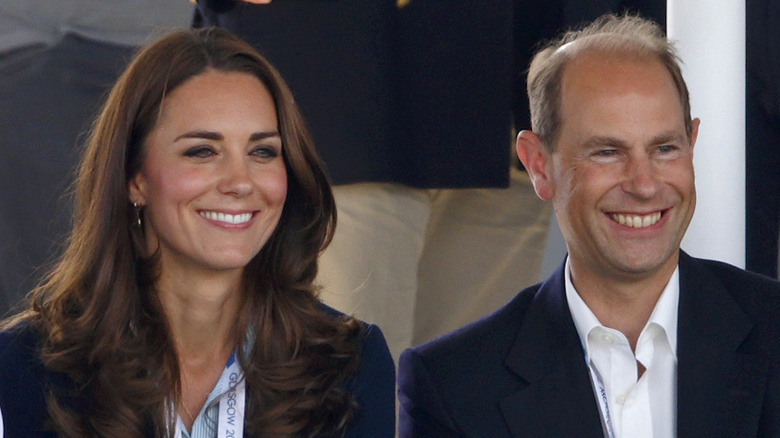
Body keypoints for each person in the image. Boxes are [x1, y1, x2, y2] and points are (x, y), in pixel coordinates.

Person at [397, 13, 780, 438]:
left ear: (692, 145)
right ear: (539, 166)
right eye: (607, 152)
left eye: (665, 148)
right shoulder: (453, 385)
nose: (644, 184)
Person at [0, 27, 395, 437]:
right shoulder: (22, 367)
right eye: (202, 151)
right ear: (134, 178)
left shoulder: (351, 364)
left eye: (262, 152)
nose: (240, 182)